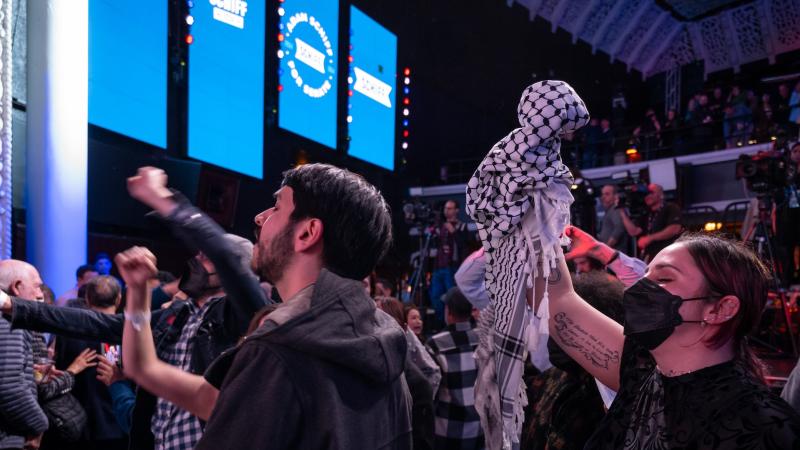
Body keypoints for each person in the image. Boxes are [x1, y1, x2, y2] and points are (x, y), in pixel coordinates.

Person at [119, 163, 411, 449]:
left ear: (307, 233)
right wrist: (137, 290)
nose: (260, 217)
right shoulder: (385, 341)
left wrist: (168, 201)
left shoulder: (279, 352)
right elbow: (150, 371)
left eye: (277, 207)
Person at [2, 167, 267, 450]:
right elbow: (96, 323)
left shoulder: (246, 316)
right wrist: (12, 305)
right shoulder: (177, 315)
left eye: (206, 258)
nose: (197, 261)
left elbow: (224, 256)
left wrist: (167, 202)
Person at [540, 229, 800, 448]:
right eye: (645, 276)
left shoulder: (763, 427)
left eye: (663, 279)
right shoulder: (642, 371)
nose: (639, 289)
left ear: (720, 309)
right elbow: (558, 299)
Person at [426, 287, 483, 449]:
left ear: (449, 312)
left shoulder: (435, 344)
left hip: (447, 431)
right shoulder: (485, 339)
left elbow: (430, 391)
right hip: (479, 429)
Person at [0, 260, 49, 450]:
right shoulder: (9, 320)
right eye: (37, 287)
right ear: (17, 287)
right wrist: (39, 425)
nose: (40, 295)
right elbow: (8, 387)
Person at [430, 200, 475, 324]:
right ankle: (441, 322)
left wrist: (454, 232)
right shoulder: (440, 226)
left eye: (450, 208)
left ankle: (455, 322)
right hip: (438, 267)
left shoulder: (462, 226)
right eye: (446, 208)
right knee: (435, 296)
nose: (447, 211)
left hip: (453, 267)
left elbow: (465, 246)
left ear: (456, 210)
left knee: (452, 296)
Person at [619, 183, 682, 262]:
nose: (648, 196)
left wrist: (650, 238)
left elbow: (674, 229)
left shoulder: (671, 207)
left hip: (669, 255)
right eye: (646, 194)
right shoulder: (646, 213)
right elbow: (633, 231)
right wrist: (622, 212)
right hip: (652, 257)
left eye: (651, 192)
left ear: (661, 195)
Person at [597, 184, 630, 254]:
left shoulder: (616, 210)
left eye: (607, 194)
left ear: (616, 196)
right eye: (602, 194)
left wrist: (606, 248)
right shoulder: (609, 210)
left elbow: (619, 229)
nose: (603, 197)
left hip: (615, 254)